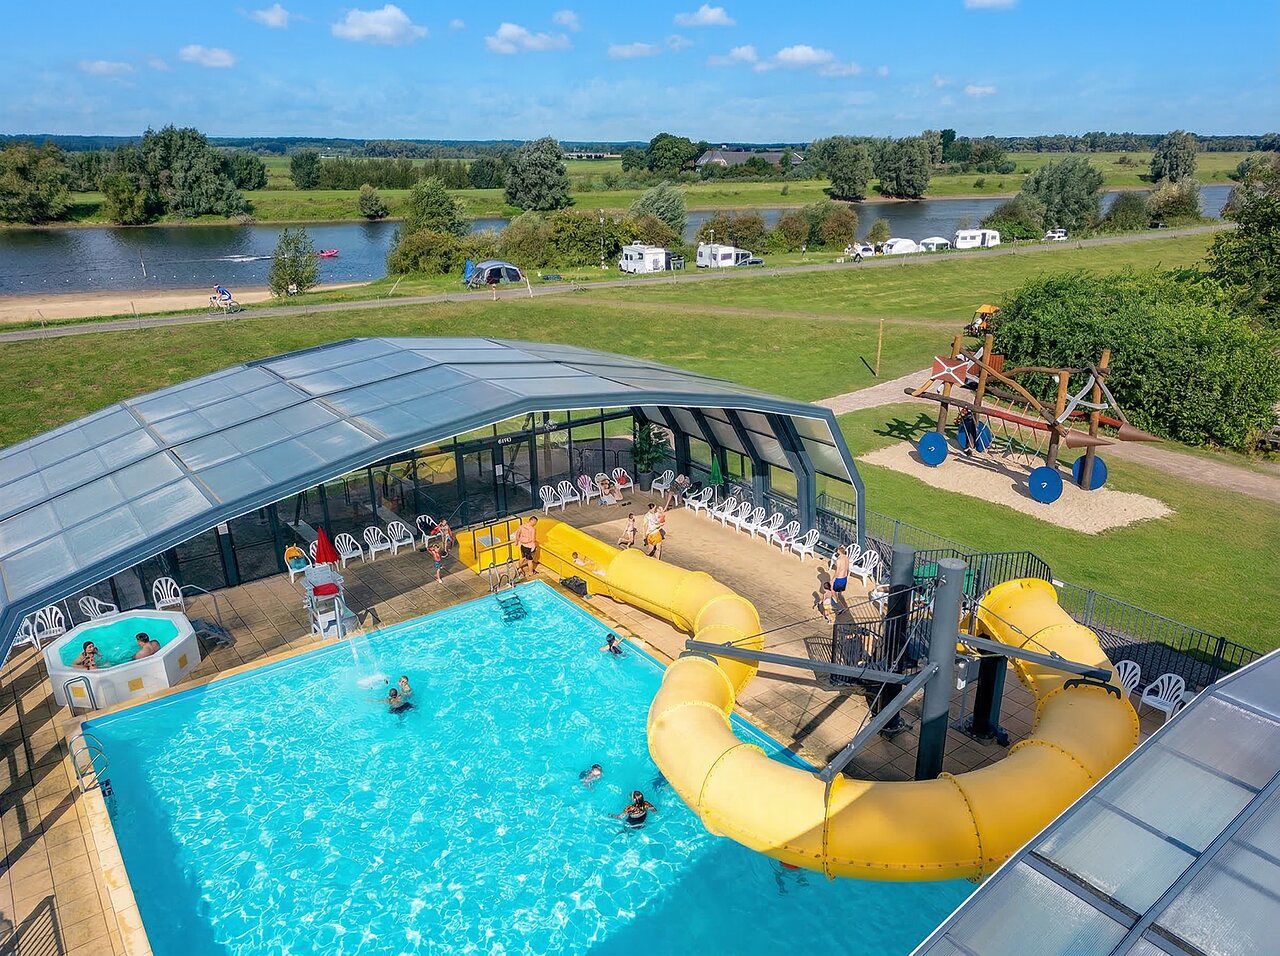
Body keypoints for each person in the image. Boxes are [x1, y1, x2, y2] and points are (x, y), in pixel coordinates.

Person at [821, 547, 850, 619]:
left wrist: (833, 579)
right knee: (839, 594)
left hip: (839, 578)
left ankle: (841, 607)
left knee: (833, 593)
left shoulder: (839, 560)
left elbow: (838, 571)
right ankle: (841, 606)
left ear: (839, 552)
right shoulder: (846, 558)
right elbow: (846, 568)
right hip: (844, 578)